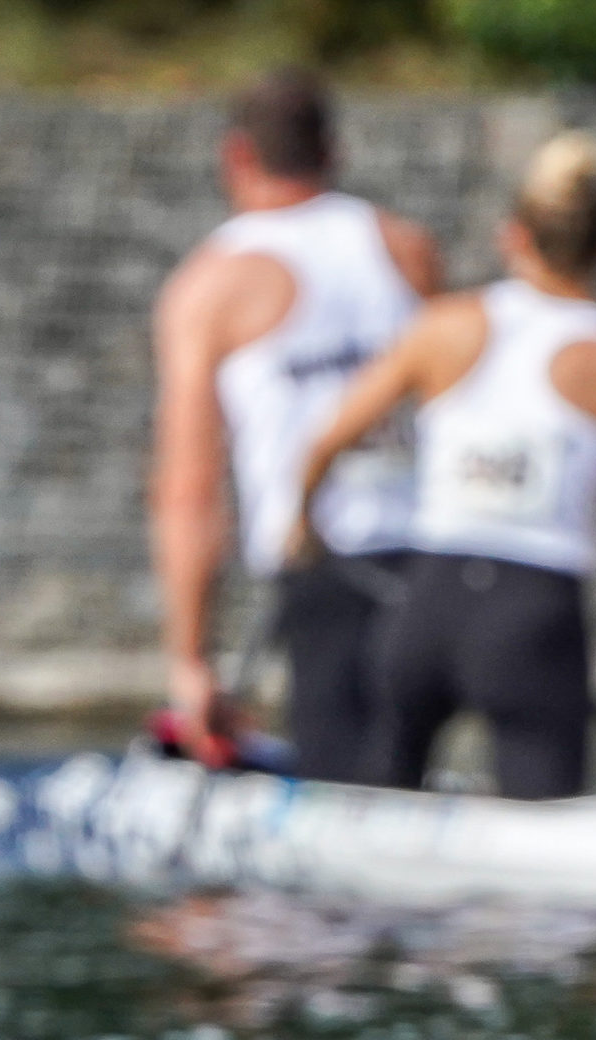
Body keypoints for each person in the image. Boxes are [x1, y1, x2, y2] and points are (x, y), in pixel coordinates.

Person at [295, 132, 596, 800]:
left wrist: (301, 527)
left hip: (426, 605)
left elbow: (321, 444)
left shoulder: (442, 327)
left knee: (377, 817)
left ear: (511, 236)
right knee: (547, 850)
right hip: (534, 619)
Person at [150, 68, 443, 779]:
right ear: (332, 151)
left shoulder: (211, 286)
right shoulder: (406, 249)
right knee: (402, 774)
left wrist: (191, 662)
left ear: (236, 156)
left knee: (347, 801)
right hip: (439, 564)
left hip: (324, 567)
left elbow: (190, 487)